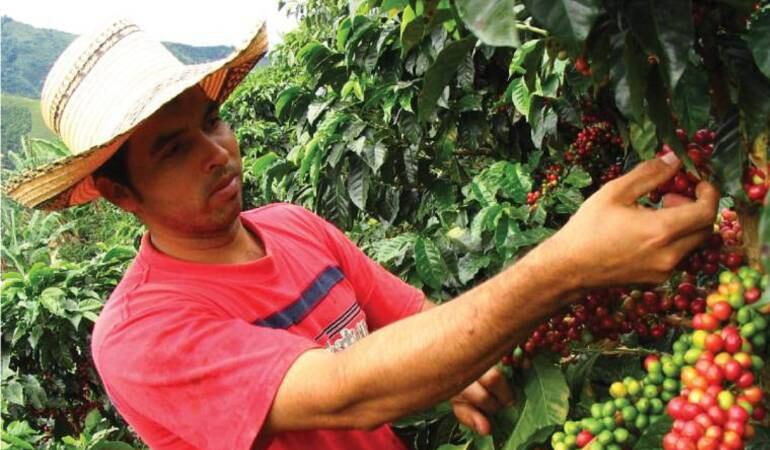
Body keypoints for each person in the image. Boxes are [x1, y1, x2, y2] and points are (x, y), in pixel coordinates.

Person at [3, 18, 719, 450]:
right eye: (170, 149)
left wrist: (468, 367)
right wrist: (565, 265)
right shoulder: (140, 335)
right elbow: (346, 389)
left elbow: (416, 323)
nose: (215, 153)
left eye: (210, 122)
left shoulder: (292, 226)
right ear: (120, 193)